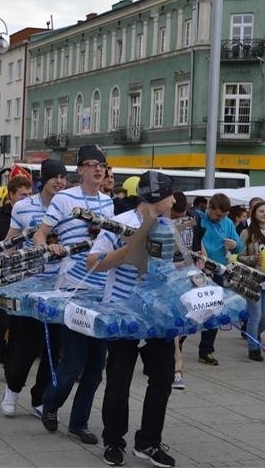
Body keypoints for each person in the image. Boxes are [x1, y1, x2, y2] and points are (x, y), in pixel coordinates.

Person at [86, 170, 177, 468]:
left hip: (157, 315)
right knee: (119, 381)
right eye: (170, 195)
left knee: (163, 378)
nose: (174, 200)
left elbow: (171, 267)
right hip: (122, 314)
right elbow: (93, 264)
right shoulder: (119, 223)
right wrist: (128, 249)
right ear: (156, 198)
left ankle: (148, 442)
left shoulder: (167, 226)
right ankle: (113, 441)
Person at [33, 145, 114, 445]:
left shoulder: (108, 203)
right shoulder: (65, 198)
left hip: (101, 289)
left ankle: (79, 423)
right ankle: (50, 402)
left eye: (101, 165)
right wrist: (47, 246)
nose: (97, 169)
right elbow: (41, 233)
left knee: (96, 366)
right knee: (74, 362)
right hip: (72, 288)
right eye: (91, 165)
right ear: (79, 170)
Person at [0, 159, 67, 418]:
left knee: (55, 347)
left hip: (61, 285)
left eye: (63, 176)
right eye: (54, 177)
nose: (59, 181)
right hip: (30, 284)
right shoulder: (24, 206)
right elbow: (11, 242)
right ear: (43, 180)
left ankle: (40, 398)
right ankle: (12, 390)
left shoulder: (70, 205)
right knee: (28, 345)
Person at [0, 175, 33, 379]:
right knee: (0, 321)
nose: (27, 199)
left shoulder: (33, 217)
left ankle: (10, 362)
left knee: (18, 324)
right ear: (11, 196)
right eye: (22, 195)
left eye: (30, 195)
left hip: (23, 278)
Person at [195, 193, 244, 365]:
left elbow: (240, 247)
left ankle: (206, 350)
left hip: (218, 271)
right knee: (193, 308)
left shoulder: (229, 223)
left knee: (214, 310)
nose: (219, 218)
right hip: (198, 270)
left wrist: (235, 245)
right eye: (217, 215)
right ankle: (177, 343)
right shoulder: (198, 218)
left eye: (223, 216)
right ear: (209, 208)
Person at [169, 191, 206, 390]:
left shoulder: (194, 217)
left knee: (188, 321)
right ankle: (177, 371)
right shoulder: (161, 223)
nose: (180, 219)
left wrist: (201, 260)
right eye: (176, 216)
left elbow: (198, 245)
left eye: (183, 214)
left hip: (190, 275)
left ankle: (171, 359)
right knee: (174, 327)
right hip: (169, 277)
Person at [238, 200, 265, 362]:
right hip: (253, 280)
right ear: (254, 214)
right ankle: (253, 348)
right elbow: (239, 256)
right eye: (261, 211)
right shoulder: (247, 233)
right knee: (255, 315)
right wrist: (253, 258)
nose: (264, 214)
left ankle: (250, 333)